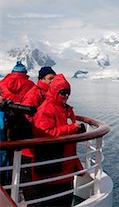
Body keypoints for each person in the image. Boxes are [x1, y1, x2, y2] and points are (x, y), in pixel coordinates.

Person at [32, 74, 85, 206]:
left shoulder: (66, 110)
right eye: (62, 93)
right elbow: (45, 134)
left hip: (64, 170)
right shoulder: (46, 109)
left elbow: (69, 142)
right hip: (50, 170)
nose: (66, 96)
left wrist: (76, 165)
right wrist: (72, 128)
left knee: (65, 201)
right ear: (55, 91)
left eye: (68, 93)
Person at [20, 66, 56, 203]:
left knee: (39, 181)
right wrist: (43, 128)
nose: (52, 82)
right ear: (41, 79)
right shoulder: (35, 94)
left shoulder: (46, 93)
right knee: (31, 183)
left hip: (39, 146)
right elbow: (26, 116)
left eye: (54, 78)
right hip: (31, 146)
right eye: (50, 79)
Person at [0, 61, 35, 184]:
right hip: (23, 124)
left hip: (4, 125)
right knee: (22, 153)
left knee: (5, 154)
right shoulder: (30, 85)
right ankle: (18, 183)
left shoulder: (2, 83)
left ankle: (6, 184)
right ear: (24, 73)